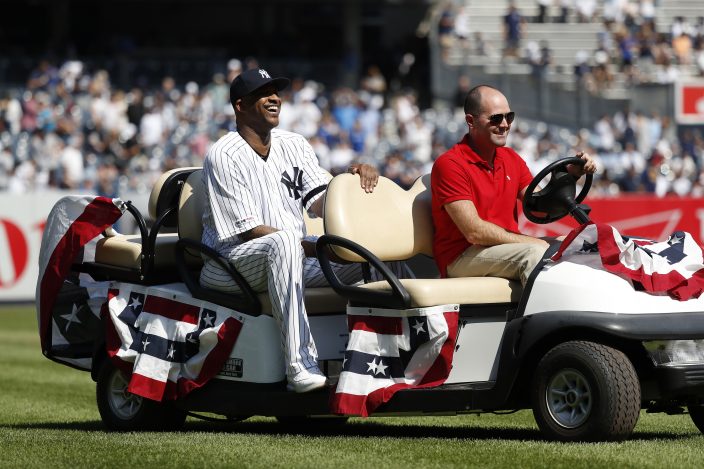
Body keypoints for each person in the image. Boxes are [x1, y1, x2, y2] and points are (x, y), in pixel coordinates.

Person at [199, 68, 389, 393]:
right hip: (228, 263)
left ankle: (391, 358)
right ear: (240, 105)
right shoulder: (223, 154)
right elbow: (249, 232)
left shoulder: (294, 143)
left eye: (276, 91)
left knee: (371, 253)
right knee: (284, 242)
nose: (275, 98)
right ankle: (300, 366)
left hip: (289, 254)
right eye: (263, 93)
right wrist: (316, 247)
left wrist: (351, 183)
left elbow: (321, 203)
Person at [430, 85, 596, 286]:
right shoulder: (450, 164)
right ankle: (543, 317)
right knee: (535, 253)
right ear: (470, 121)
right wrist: (532, 241)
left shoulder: (510, 158)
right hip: (462, 256)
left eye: (509, 117)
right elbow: (474, 232)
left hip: (502, 247)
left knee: (576, 246)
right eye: (496, 118)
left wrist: (570, 175)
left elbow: (540, 205)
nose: (505, 124)